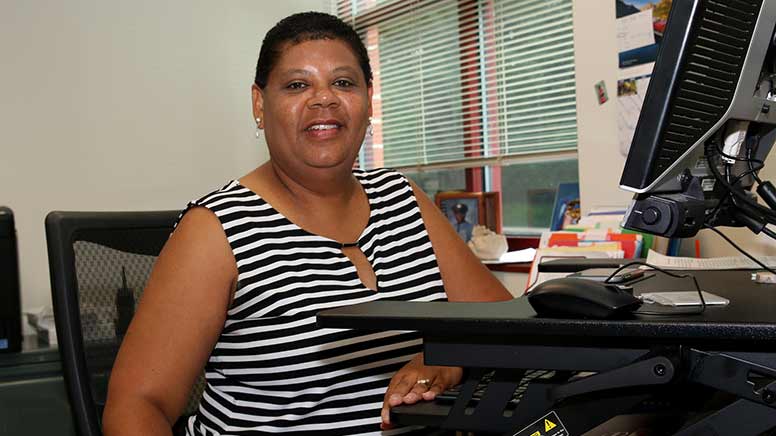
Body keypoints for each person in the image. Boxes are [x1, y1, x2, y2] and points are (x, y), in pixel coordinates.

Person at [102, 11, 512, 436]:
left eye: (344, 83)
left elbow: (509, 327)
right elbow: (136, 406)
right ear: (260, 104)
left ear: (368, 100)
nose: (324, 99)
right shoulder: (215, 229)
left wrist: (447, 357)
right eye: (297, 85)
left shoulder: (404, 199)